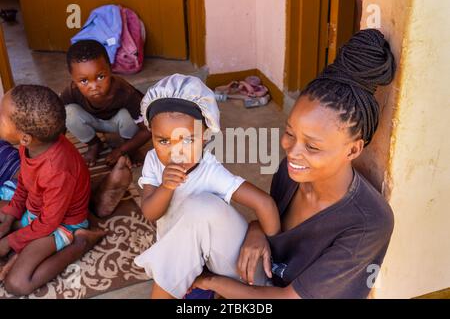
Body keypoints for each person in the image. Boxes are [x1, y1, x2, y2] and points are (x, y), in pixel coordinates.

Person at [190, 29, 396, 299]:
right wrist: (255, 229)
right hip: (266, 281)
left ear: (354, 149)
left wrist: (213, 283)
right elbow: (272, 223)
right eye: (289, 133)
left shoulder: (368, 222)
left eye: (312, 146)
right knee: (200, 207)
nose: (292, 151)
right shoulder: (291, 174)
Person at [134, 74, 281, 299]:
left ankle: (254, 282)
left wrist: (267, 243)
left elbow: (264, 203)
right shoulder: (154, 161)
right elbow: (151, 212)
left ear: (204, 136)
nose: (176, 151)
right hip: (185, 255)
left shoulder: (210, 171)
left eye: (187, 139)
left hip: (217, 259)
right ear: (151, 137)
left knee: (200, 209)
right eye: (163, 141)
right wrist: (166, 186)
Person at [0, 85, 105, 296]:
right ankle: (100, 197)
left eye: (2, 116)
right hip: (39, 210)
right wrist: (9, 220)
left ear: (25, 137)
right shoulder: (29, 146)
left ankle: (82, 242)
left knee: (17, 284)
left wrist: (11, 240)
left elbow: (49, 223)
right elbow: (23, 184)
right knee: (8, 218)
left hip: (62, 224)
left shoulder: (56, 171)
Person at [61, 39, 151, 167]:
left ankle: (131, 148)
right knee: (67, 112)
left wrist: (121, 150)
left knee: (127, 114)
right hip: (93, 122)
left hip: (117, 123)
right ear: (73, 78)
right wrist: (55, 151)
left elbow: (147, 130)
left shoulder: (124, 91)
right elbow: (58, 122)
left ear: (110, 69)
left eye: (100, 77)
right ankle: (94, 144)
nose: (93, 86)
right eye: (84, 81)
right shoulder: (72, 91)